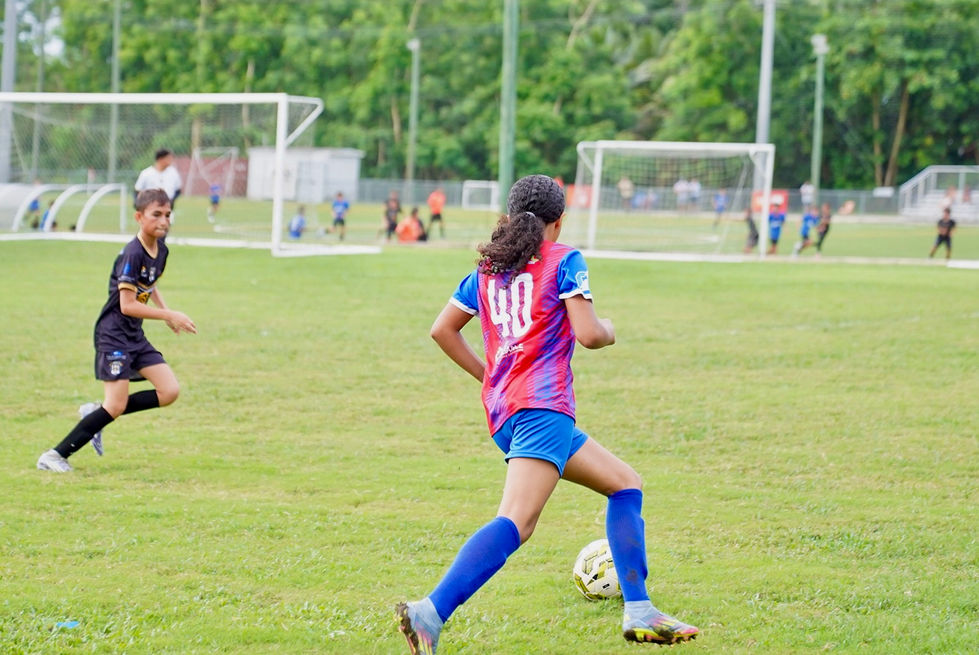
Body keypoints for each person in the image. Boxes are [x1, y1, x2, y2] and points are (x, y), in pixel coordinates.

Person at [395, 174, 699, 653]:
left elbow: (442, 330)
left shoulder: (488, 267)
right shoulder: (562, 258)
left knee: (624, 483)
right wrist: (612, 329)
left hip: (510, 415)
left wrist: (491, 376)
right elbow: (590, 334)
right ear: (557, 223)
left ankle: (640, 609)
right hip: (543, 411)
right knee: (517, 522)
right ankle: (429, 612)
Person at [36, 188, 197, 473]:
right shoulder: (132, 254)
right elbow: (127, 304)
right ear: (139, 217)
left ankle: (98, 412)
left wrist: (166, 311)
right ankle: (54, 455)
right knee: (116, 405)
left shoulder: (161, 249)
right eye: (156, 214)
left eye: (168, 215)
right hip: (113, 335)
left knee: (169, 390)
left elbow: (150, 283)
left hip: (134, 335)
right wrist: (168, 314)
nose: (164, 221)